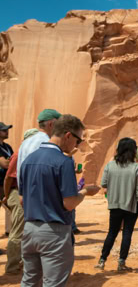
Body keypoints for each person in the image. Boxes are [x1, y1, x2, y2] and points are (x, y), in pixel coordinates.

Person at [20, 114, 100, 287]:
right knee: (53, 283)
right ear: (68, 135)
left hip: (29, 230)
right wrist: (86, 191)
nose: (77, 146)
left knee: (30, 282)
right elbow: (69, 203)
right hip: (53, 233)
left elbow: (21, 199)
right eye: (78, 141)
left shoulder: (28, 160)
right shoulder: (63, 162)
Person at [95, 137, 138, 272]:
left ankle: (102, 260)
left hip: (114, 205)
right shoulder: (136, 168)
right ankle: (121, 262)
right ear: (133, 150)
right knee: (127, 233)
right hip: (131, 205)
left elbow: (104, 184)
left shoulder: (110, 165)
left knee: (112, 232)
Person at [2, 129, 38, 274]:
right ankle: (12, 266)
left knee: (28, 230)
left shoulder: (30, 153)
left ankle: (23, 262)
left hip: (28, 193)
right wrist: (7, 196)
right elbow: (8, 178)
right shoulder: (19, 154)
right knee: (17, 230)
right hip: (17, 192)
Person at [17, 109, 61, 186]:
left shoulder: (25, 142)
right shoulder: (47, 142)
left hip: (25, 193)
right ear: (51, 124)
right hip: (40, 194)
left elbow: (19, 171)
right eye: (59, 124)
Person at [0, 122, 14, 237]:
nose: (7, 131)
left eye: (7, 129)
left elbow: (13, 161)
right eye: (4, 130)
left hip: (6, 183)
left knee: (12, 209)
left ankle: (10, 232)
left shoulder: (7, 147)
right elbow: (5, 164)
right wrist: (11, 163)